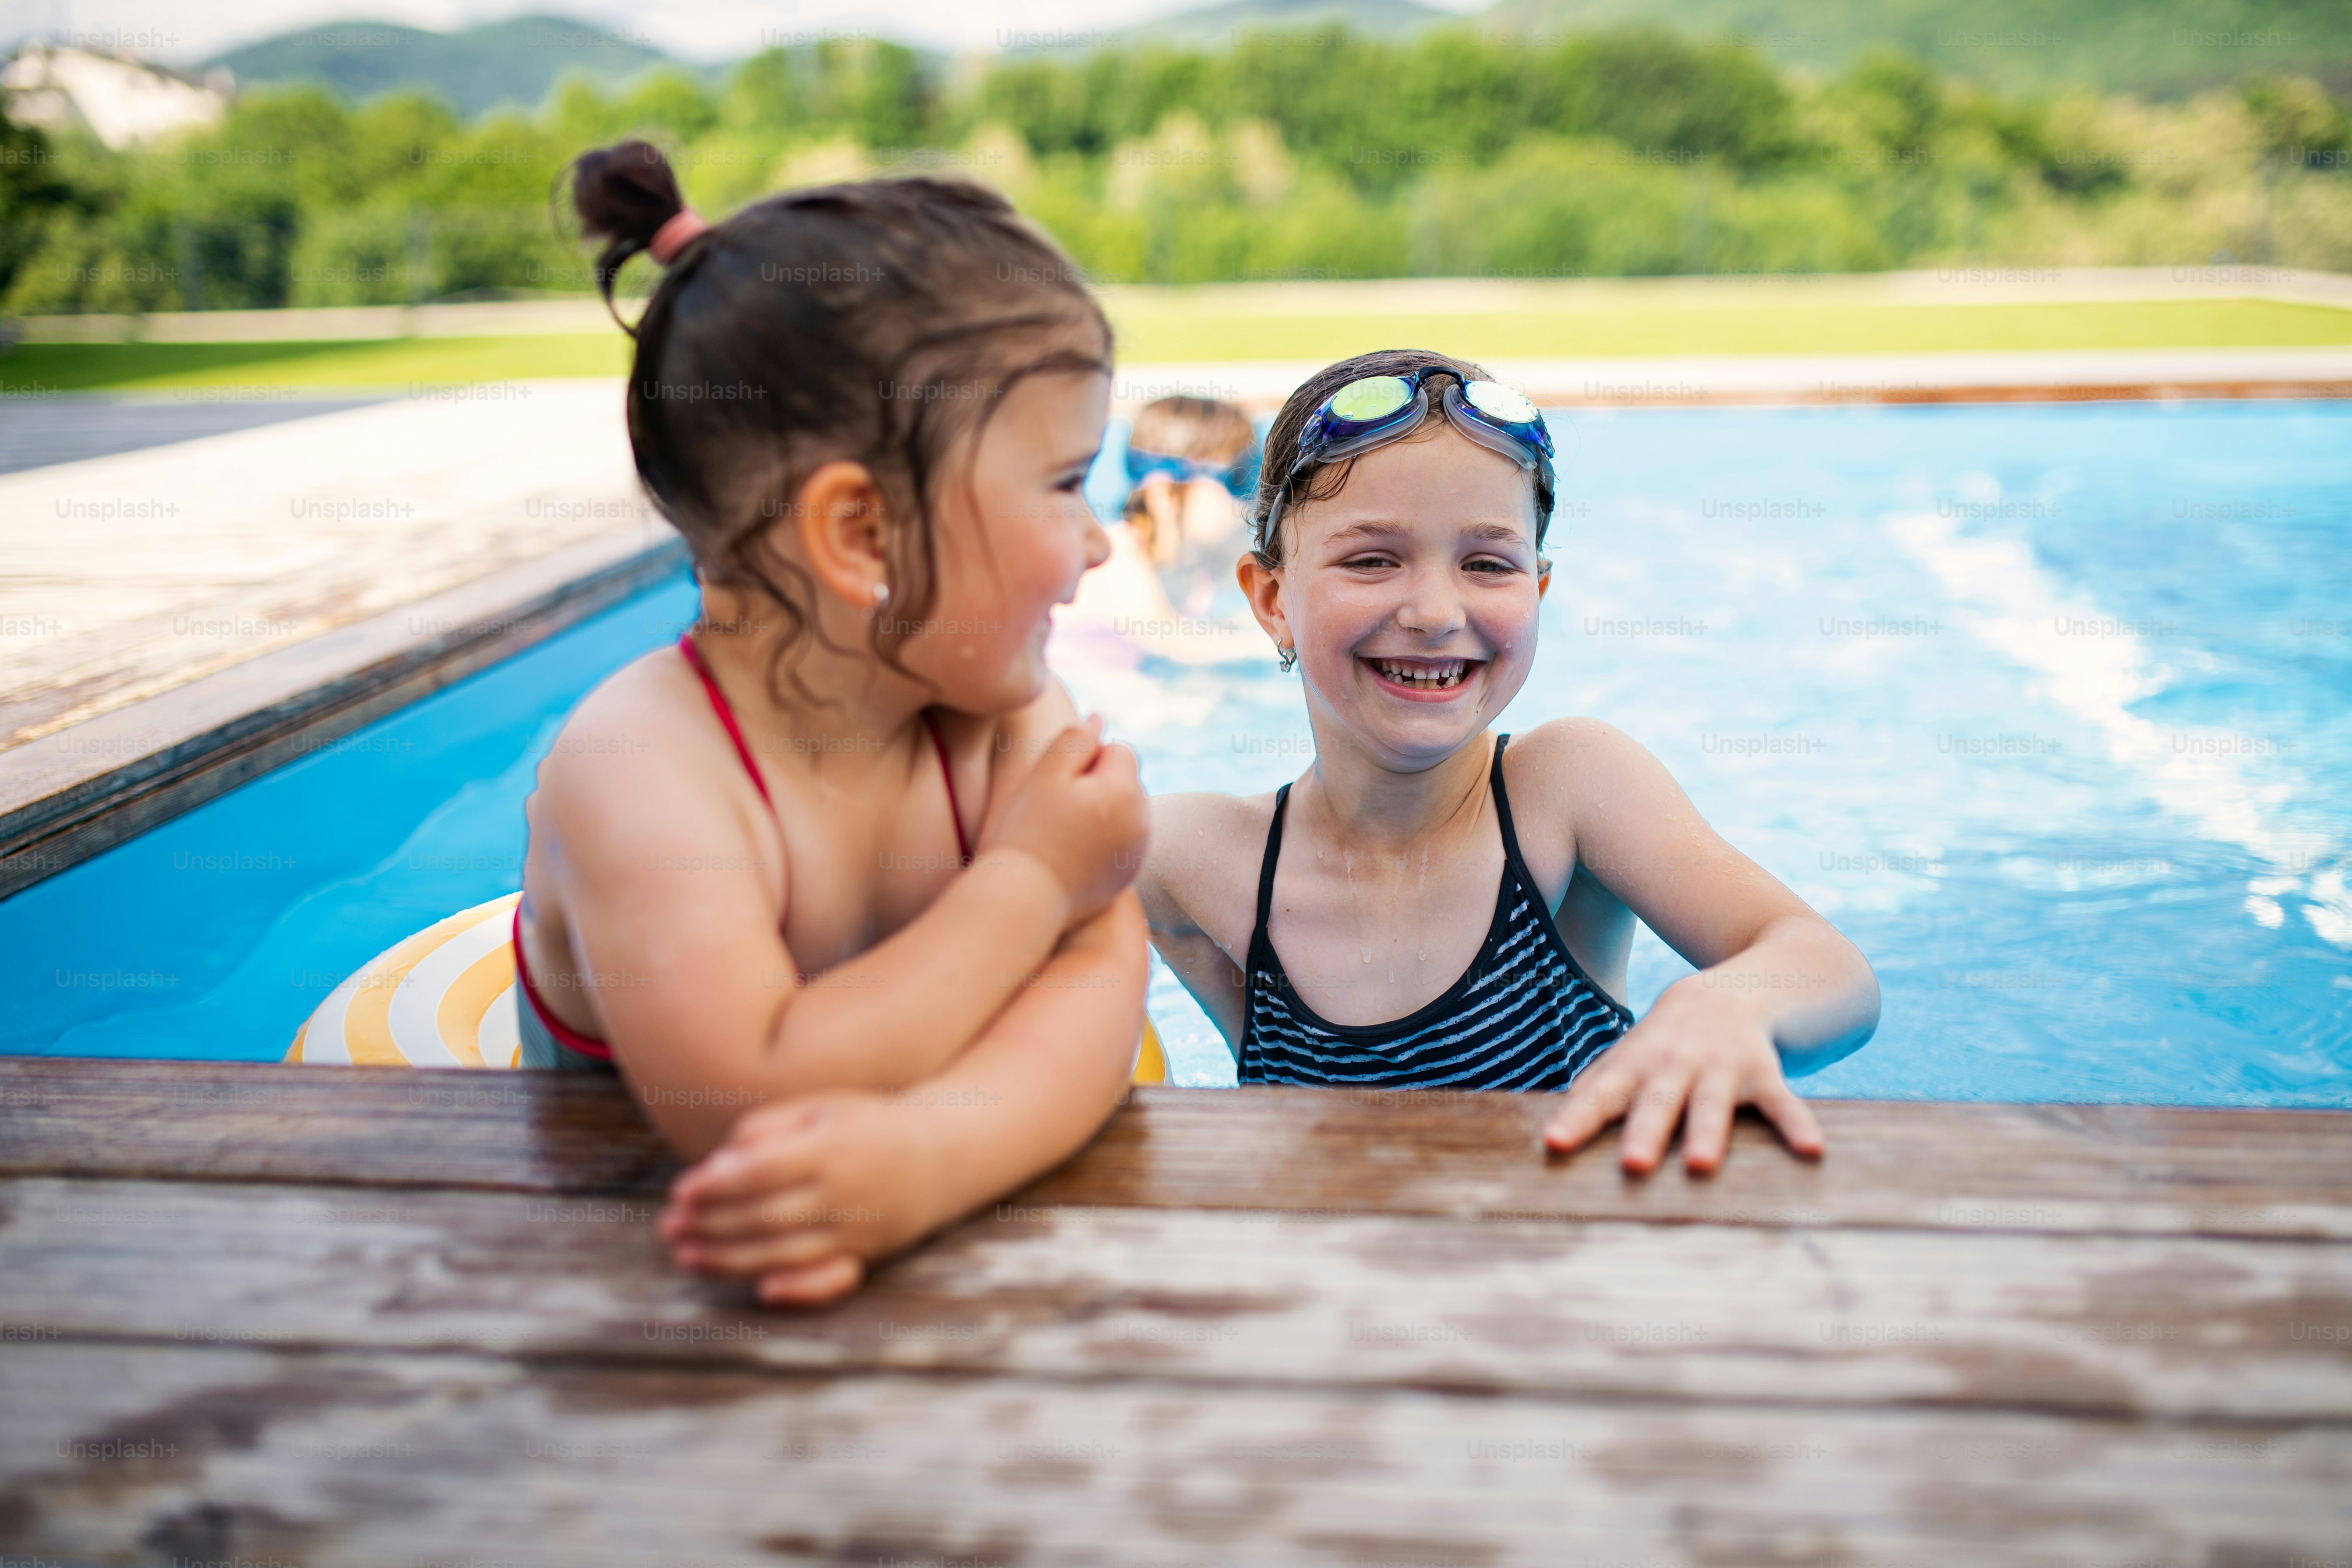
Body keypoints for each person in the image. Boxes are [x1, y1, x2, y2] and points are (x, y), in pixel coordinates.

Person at [519, 140, 1148, 1304]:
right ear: (860, 536)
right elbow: (745, 1103)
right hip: (633, 1314)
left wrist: (937, 1158)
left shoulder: (994, 715)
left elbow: (1105, 980)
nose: (1099, 540)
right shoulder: (646, 769)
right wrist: (1030, 878)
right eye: (1066, 484)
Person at [1138, 348, 1880, 1173]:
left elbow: (1831, 970)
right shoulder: (1191, 861)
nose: (1433, 611)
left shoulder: (1564, 790)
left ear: (1539, 593)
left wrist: (1728, 1007)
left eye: (1488, 564)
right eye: (1372, 559)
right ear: (1272, 600)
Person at [1061, 395, 1267, 664]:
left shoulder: (1197, 562)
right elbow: (1171, 642)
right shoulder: (1116, 555)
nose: (1256, 496)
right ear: (1165, 492)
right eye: (1241, 478)